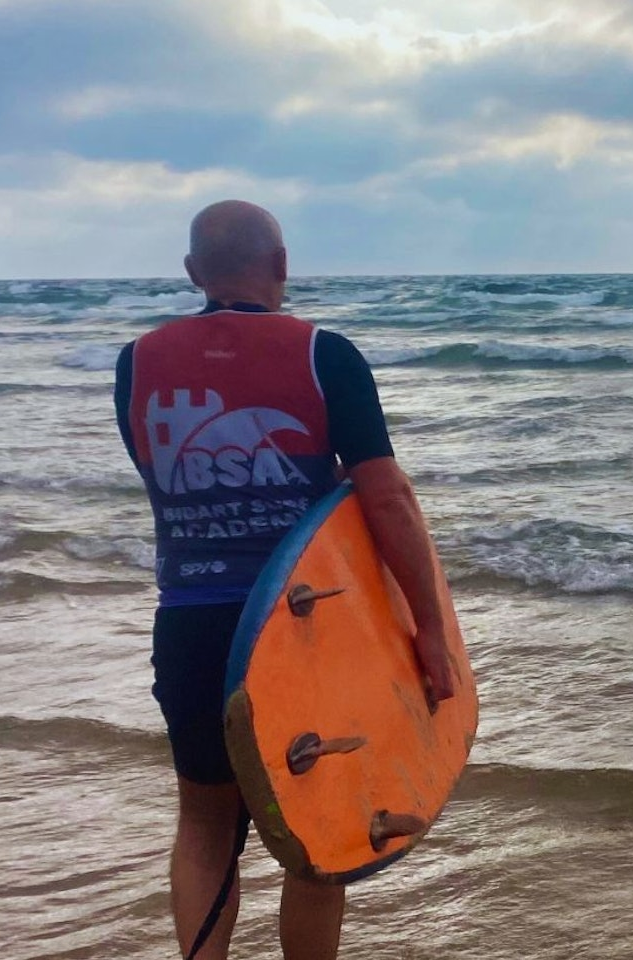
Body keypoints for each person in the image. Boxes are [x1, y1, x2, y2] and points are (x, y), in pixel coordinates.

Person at [114, 201, 456, 960]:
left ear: (193, 272)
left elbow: (161, 477)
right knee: (320, 827)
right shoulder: (324, 354)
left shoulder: (136, 363)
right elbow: (387, 497)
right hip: (302, 625)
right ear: (282, 265)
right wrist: (429, 627)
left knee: (206, 824)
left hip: (190, 620)